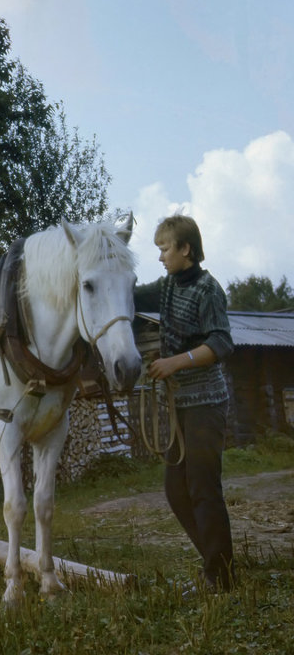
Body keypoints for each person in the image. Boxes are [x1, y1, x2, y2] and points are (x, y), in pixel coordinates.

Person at [135, 214, 235, 593]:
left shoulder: (209, 289)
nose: (160, 257)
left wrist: (175, 362)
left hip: (206, 403)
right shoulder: (167, 287)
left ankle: (219, 575)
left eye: (164, 249)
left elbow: (222, 343)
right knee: (177, 490)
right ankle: (218, 560)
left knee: (203, 488)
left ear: (185, 249)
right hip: (179, 405)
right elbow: (129, 294)